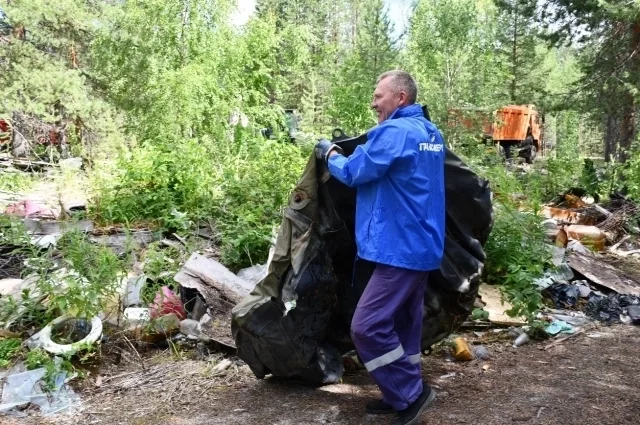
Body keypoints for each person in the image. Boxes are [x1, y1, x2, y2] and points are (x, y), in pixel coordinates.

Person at [314, 70, 445, 425]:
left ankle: (410, 395)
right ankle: (398, 390)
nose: (373, 103)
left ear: (400, 98)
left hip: (400, 248)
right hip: (423, 243)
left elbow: (356, 172)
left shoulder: (395, 132)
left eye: (378, 96)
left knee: (367, 326)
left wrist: (329, 155)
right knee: (404, 322)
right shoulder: (430, 132)